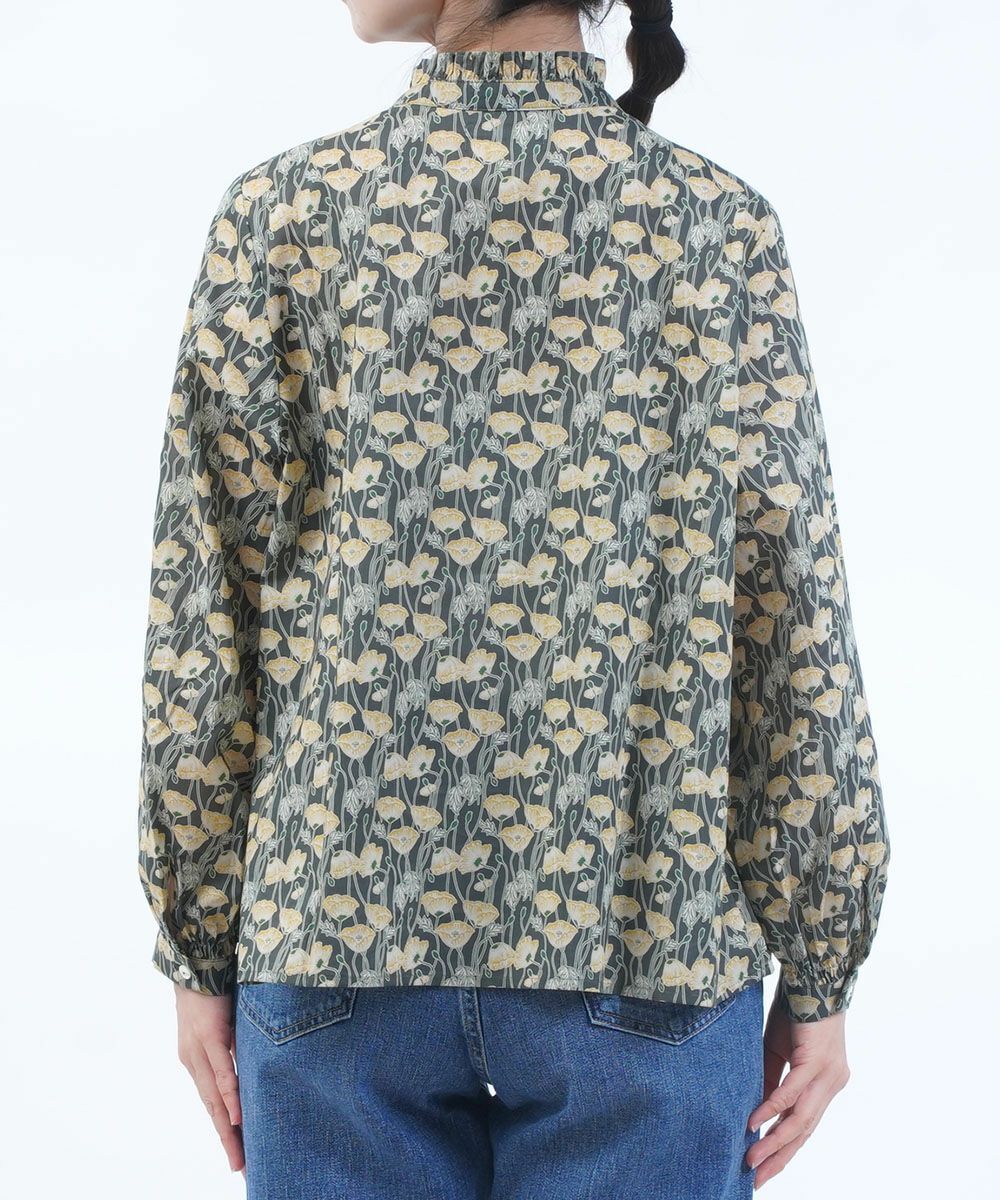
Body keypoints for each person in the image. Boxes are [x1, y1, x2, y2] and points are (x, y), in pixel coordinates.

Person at [136, 1, 890, 1196]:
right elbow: (790, 620)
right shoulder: (714, 227)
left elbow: (203, 618)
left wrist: (196, 943)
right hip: (646, 942)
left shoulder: (284, 216)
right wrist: (821, 959)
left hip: (333, 937)